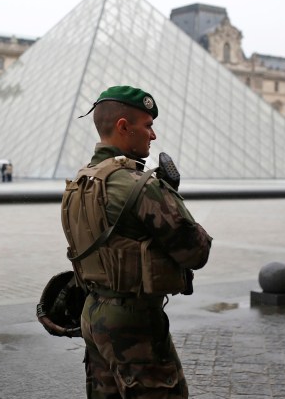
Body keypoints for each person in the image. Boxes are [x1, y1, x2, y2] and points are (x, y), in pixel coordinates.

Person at [63, 85, 212, 398]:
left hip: (94, 313)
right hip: (134, 322)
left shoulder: (80, 181)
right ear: (122, 127)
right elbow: (196, 251)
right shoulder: (139, 185)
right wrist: (170, 192)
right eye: (148, 126)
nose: (153, 135)